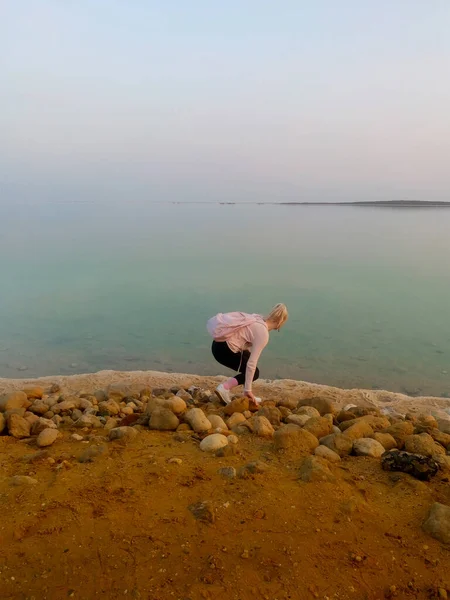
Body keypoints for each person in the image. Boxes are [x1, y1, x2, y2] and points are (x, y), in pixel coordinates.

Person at [207, 303, 288, 407]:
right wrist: (248, 389)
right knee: (255, 373)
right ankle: (224, 388)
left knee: (247, 361)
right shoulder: (263, 334)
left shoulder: (257, 319)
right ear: (280, 322)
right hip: (224, 351)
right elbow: (251, 363)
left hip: (218, 345)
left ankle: (245, 394)